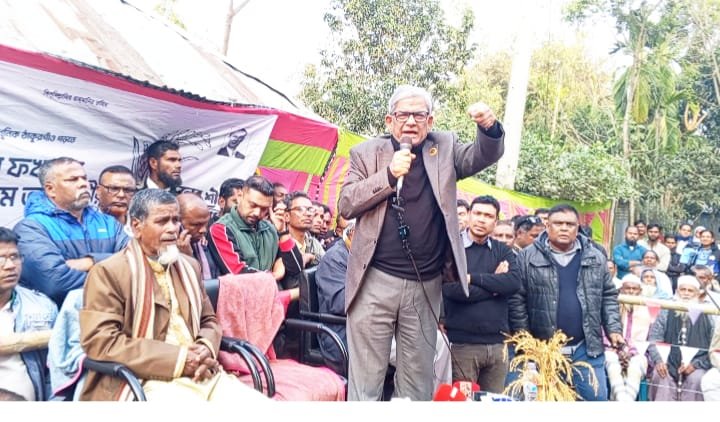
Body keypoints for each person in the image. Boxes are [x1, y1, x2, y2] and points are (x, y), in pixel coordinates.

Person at [338, 84, 505, 401]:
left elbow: (483, 155)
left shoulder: (445, 147)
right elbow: (346, 204)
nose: (411, 121)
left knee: (417, 383)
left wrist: (489, 129)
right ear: (390, 120)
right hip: (374, 280)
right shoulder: (366, 153)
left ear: (430, 121)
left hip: (425, 284)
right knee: (365, 384)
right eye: (403, 115)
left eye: (419, 115)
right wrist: (389, 175)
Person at [78, 189, 264, 401]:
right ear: (137, 226)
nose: (172, 228)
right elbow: (101, 342)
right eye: (162, 221)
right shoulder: (109, 272)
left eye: (175, 220)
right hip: (143, 379)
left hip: (201, 371)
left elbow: (209, 320)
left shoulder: (189, 266)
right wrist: (180, 360)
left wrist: (205, 348)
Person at [508, 204, 624, 401]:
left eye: (569, 224)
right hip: (542, 348)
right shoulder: (527, 256)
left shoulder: (595, 256)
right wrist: (526, 341)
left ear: (577, 228)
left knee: (595, 399)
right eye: (558, 223)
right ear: (547, 226)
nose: (564, 228)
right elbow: (517, 300)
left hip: (586, 348)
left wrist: (613, 329)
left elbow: (608, 295)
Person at [13, 157, 128, 306]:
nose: (83, 184)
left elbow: (139, 262)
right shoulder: (31, 228)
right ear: (50, 189)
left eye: (84, 178)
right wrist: (118, 277)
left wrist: (90, 262)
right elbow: (55, 282)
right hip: (58, 318)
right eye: (73, 179)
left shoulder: (108, 223)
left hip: (112, 315)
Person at [442, 195, 520, 394]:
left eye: (488, 216)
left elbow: (512, 283)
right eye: (477, 213)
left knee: (493, 403)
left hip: (498, 345)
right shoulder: (452, 248)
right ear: (468, 215)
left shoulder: (502, 250)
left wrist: (472, 278)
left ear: (496, 221)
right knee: (462, 402)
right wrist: (495, 285)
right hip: (462, 344)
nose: (481, 219)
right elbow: (453, 290)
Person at [208, 176, 302, 283]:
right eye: (253, 205)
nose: (257, 213)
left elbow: (296, 269)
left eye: (264, 209)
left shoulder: (270, 229)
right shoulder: (221, 229)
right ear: (240, 196)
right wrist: (275, 275)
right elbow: (239, 274)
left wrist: (283, 232)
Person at [0, 227, 58, 401]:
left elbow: (57, 373)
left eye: (14, 257)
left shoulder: (42, 308)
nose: (10, 266)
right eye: (1, 258)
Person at [647, 275, 713, 401]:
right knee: (660, 376)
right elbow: (654, 339)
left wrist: (696, 364)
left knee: (697, 379)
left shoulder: (708, 314)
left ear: (697, 294)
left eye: (690, 291)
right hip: (668, 361)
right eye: (683, 290)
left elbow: (714, 346)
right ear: (677, 292)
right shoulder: (666, 311)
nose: (686, 294)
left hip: (698, 364)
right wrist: (659, 360)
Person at [605, 274, 652, 401]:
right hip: (612, 350)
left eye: (634, 289)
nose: (631, 292)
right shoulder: (611, 308)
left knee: (635, 366)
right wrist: (618, 351)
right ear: (621, 290)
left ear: (640, 291)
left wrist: (631, 353)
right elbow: (604, 333)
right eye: (627, 288)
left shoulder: (648, 311)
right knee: (611, 361)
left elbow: (650, 340)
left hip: (639, 353)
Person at [177, 193, 217, 280]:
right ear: (177, 222)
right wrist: (186, 257)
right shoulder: (164, 252)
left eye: (206, 223)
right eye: (196, 225)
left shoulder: (205, 244)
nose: (203, 230)